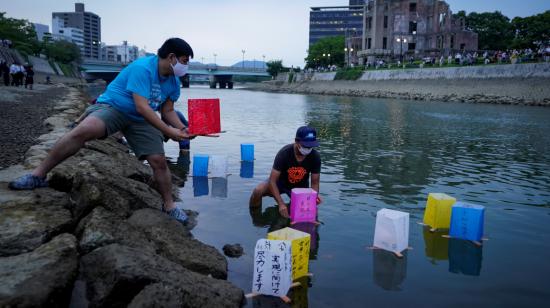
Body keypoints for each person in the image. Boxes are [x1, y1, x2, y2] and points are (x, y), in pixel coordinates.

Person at [9, 37, 194, 224]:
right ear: (172, 58)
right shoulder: (143, 68)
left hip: (140, 120)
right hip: (115, 107)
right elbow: (142, 107)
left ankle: (169, 205)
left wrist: (183, 128)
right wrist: (170, 132)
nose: (186, 66)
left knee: (159, 161)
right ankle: (37, 175)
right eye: (185, 61)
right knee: (84, 130)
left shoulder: (173, 82)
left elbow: (167, 110)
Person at [249, 126, 322, 218]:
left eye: (311, 146)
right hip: (280, 183)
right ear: (297, 141)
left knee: (306, 213)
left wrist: (312, 199)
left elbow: (315, 182)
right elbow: (272, 180)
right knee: (258, 190)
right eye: (305, 146)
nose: (308, 149)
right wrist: (280, 203)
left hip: (300, 187)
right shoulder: (284, 153)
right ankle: (255, 216)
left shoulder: (315, 157)